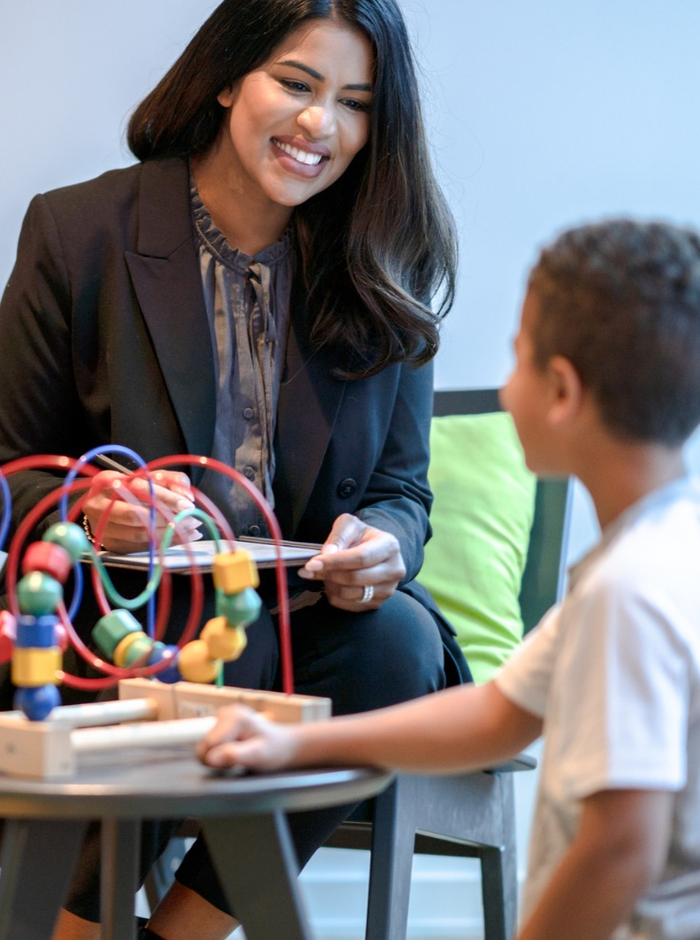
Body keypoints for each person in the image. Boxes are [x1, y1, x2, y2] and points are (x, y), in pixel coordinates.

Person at [0, 1, 471, 938]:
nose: (320, 126)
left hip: (302, 621)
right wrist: (97, 516)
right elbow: (14, 466)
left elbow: (402, 493)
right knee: (182, 652)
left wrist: (384, 544)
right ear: (226, 78)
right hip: (117, 612)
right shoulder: (78, 232)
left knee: (399, 647)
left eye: (355, 103)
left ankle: (182, 931)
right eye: (296, 84)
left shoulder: (383, 264)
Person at [200, 218, 700, 940]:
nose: (506, 384)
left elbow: (622, 847)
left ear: (561, 391)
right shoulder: (658, 557)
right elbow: (498, 715)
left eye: (517, 360)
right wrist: (294, 745)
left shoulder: (632, 591)